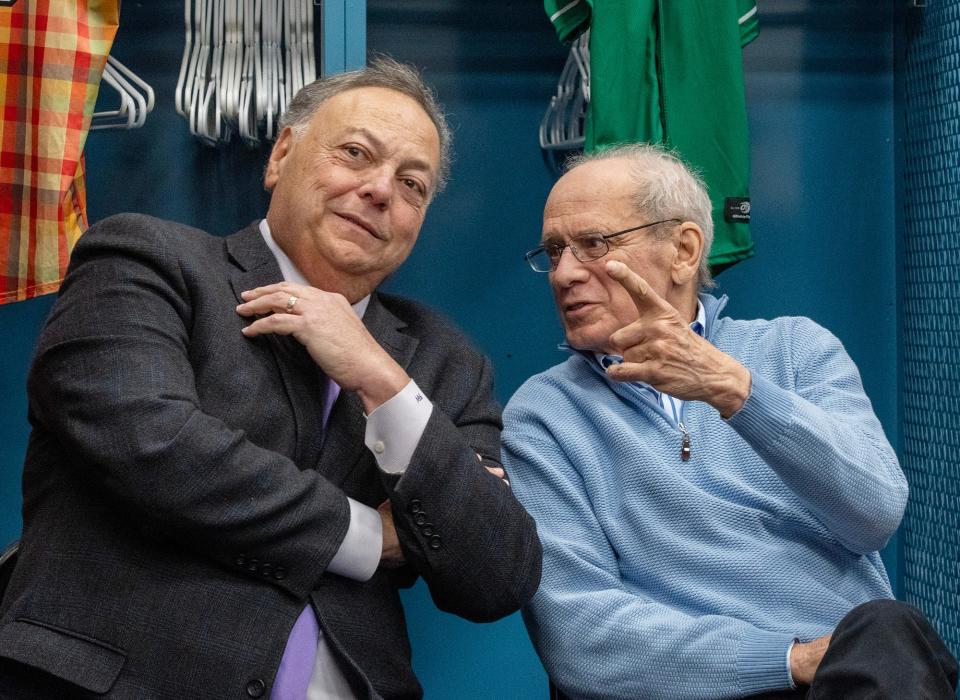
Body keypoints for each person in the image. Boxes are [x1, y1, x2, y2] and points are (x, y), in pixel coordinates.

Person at [0, 57, 541, 700]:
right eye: (355, 153)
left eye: (413, 184)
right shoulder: (145, 262)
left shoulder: (443, 362)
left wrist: (381, 379)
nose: (380, 190)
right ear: (282, 154)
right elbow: (156, 449)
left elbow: (498, 572)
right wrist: (375, 537)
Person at [503, 143, 957, 700]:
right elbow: (581, 641)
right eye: (553, 251)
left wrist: (738, 392)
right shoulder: (544, 414)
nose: (565, 273)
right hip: (703, 688)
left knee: (890, 630)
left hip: (849, 681)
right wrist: (786, 659)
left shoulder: (795, 349)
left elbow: (876, 513)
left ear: (683, 251)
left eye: (593, 244)